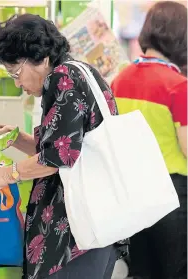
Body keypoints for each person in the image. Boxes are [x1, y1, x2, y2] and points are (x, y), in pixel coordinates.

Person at [0, 14, 122, 279]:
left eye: (16, 73)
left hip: (72, 237)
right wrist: (18, 139)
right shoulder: (83, 73)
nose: (18, 84)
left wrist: (5, 174)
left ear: (41, 58)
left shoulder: (62, 78)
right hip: (93, 230)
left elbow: (58, 158)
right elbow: (69, 150)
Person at [111, 2, 187, 279]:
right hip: (172, 194)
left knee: (142, 270)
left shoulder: (120, 79)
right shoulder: (178, 86)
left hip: (132, 193)